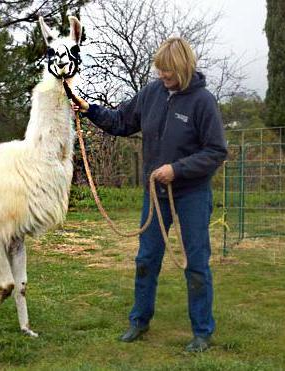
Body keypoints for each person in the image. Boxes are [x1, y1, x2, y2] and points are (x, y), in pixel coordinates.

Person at [70, 37, 227, 352]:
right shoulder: (152, 94)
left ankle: (202, 331)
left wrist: (178, 169)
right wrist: (90, 110)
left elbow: (215, 151)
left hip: (191, 192)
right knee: (146, 259)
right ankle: (139, 321)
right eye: (160, 71)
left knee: (196, 262)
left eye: (168, 71)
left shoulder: (203, 102)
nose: (163, 76)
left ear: (183, 68)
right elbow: (121, 121)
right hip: (155, 193)